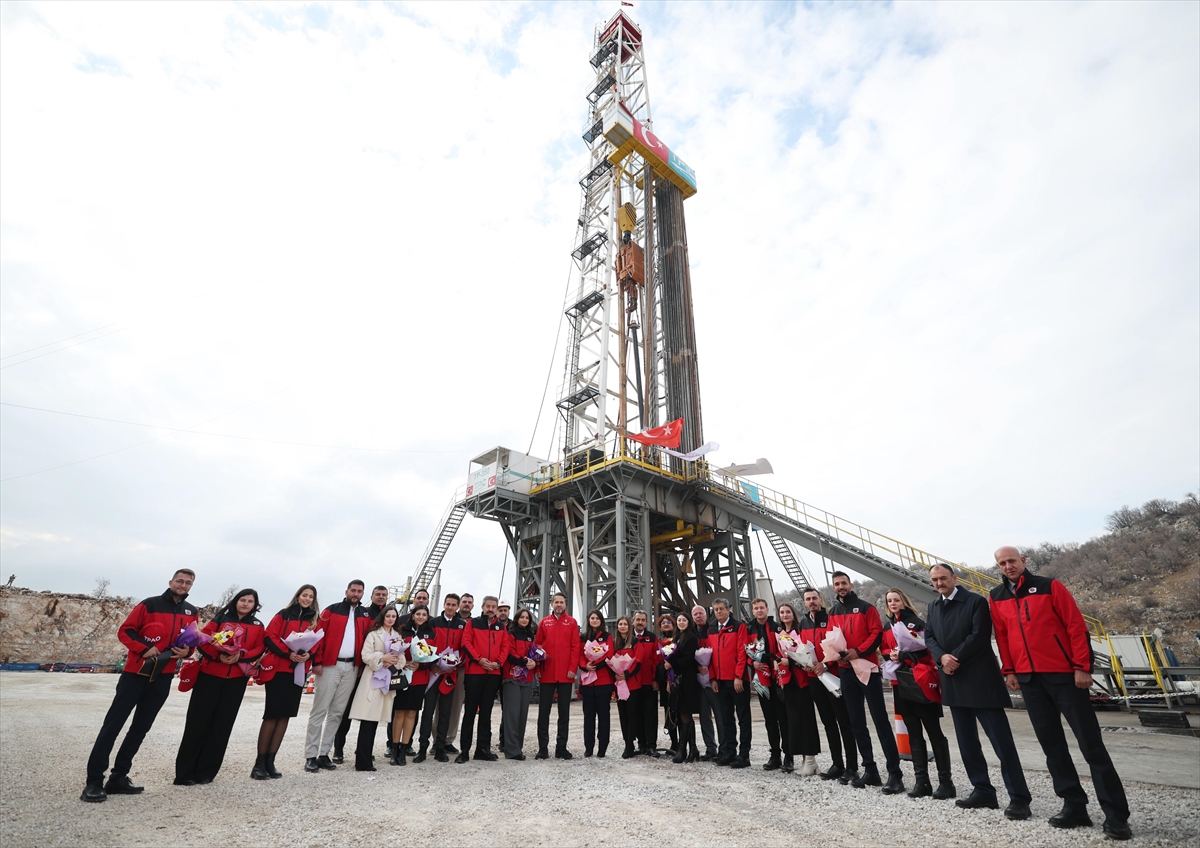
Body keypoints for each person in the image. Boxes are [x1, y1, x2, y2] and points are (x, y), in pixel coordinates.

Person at [990, 547, 1131, 839]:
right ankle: (1074, 805)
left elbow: (1075, 626)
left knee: (1091, 745)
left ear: (1023, 561)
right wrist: (1010, 670)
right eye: (1002, 563)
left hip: (1064, 676)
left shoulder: (1049, 586)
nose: (1008, 566)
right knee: (1052, 746)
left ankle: (1116, 815)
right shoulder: (997, 596)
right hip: (1029, 680)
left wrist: (1082, 667)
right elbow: (1002, 636)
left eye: (1012, 561)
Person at [82, 569, 199, 802]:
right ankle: (93, 782)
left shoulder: (191, 612)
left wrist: (187, 652)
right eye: (180, 581)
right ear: (171, 582)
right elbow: (125, 631)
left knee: (140, 729)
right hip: (135, 674)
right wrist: (144, 648)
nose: (183, 585)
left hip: (163, 677)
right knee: (113, 726)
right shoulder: (149, 605)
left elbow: (192, 641)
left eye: (188, 583)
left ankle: (118, 777)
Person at [925, 563, 1030, 818]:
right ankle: (982, 790)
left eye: (943, 578)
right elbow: (929, 637)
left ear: (954, 578)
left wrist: (953, 659)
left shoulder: (975, 602)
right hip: (953, 681)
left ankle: (1019, 798)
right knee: (967, 743)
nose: (939, 583)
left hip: (980, 681)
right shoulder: (933, 606)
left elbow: (979, 636)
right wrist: (942, 658)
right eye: (935, 580)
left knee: (1002, 743)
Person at [175, 588, 265, 785]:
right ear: (236, 601)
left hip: (236, 680)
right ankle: (184, 772)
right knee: (197, 723)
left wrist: (240, 656)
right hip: (210, 676)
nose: (245, 604)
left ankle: (206, 772)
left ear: (254, 605)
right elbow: (202, 640)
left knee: (222, 726)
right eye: (242, 600)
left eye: (250, 601)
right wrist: (219, 655)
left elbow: (259, 648)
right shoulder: (220, 620)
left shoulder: (258, 626)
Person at [829, 571, 903, 793]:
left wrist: (858, 651)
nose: (841, 587)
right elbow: (831, 638)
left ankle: (895, 773)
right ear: (833, 588)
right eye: (837, 584)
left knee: (880, 721)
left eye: (843, 583)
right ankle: (870, 770)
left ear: (850, 585)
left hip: (867, 668)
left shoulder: (866, 608)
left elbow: (876, 634)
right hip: (846, 670)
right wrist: (837, 655)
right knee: (857, 723)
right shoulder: (833, 611)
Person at [882, 588, 953, 799]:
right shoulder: (888, 626)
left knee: (934, 731)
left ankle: (946, 782)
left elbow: (929, 650)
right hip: (901, 683)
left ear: (904, 601)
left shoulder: (917, 623)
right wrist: (891, 655)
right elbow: (884, 649)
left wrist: (906, 655)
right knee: (913, 733)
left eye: (896, 599)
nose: (893, 603)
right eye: (889, 601)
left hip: (922, 681)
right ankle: (922, 782)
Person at [305, 579, 371, 773]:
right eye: (353, 590)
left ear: (362, 594)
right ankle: (310, 755)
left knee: (337, 713)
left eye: (359, 591)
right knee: (319, 710)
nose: (355, 594)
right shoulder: (331, 610)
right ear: (346, 591)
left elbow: (366, 640)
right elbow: (318, 636)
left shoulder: (364, 614)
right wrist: (317, 661)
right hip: (329, 666)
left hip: (351, 667)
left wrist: (360, 665)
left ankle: (324, 754)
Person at [255, 584, 318, 780]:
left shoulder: (314, 620)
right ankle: (259, 763)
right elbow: (269, 636)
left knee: (285, 716)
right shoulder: (284, 614)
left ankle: (271, 761)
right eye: (304, 595)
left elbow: (318, 643)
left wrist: (309, 654)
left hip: (298, 672)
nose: (307, 599)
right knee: (272, 714)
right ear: (298, 596)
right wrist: (286, 653)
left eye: (311, 596)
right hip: (279, 669)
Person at [797, 587, 857, 782]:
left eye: (814, 598)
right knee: (829, 723)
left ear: (820, 599)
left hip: (833, 677)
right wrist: (805, 664)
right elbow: (802, 649)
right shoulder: (803, 623)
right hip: (815, 678)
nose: (812, 602)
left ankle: (852, 767)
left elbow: (839, 646)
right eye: (808, 599)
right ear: (804, 602)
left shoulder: (830, 619)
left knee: (844, 723)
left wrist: (826, 664)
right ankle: (837, 764)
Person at [334, 584, 390, 763]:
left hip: (378, 671)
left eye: (384, 594)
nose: (381, 597)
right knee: (347, 709)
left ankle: (364, 749)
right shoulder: (363, 613)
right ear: (371, 596)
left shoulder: (388, 617)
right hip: (359, 667)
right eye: (378, 594)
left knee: (370, 711)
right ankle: (338, 748)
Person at [346, 606, 404, 771]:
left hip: (387, 680)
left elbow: (402, 659)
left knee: (376, 720)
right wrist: (382, 657)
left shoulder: (397, 636)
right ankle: (362, 761)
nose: (391, 619)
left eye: (393, 616)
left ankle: (367, 758)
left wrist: (393, 661)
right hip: (372, 679)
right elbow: (365, 655)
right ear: (383, 617)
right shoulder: (373, 634)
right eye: (388, 616)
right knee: (368, 720)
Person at [457, 595, 507, 763]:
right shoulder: (473, 623)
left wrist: (498, 663)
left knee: (486, 713)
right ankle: (464, 750)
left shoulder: (501, 627)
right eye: (488, 606)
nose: (490, 609)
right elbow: (466, 642)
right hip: (474, 672)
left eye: (493, 607)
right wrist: (479, 660)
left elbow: (505, 646)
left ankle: (482, 749)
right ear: (483, 607)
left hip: (493, 673)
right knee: (470, 711)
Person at [417, 593, 465, 762]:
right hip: (433, 672)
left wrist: (454, 666)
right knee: (428, 711)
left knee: (445, 712)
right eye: (448, 604)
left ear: (457, 607)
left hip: (450, 674)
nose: (450, 607)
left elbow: (464, 648)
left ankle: (440, 748)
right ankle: (422, 748)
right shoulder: (433, 622)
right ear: (444, 605)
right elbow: (425, 645)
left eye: (453, 605)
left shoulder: (462, 625)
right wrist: (431, 664)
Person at [773, 602, 820, 775]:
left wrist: (790, 661)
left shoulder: (799, 632)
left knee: (806, 719)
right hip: (788, 681)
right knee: (795, 721)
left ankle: (811, 759)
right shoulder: (781, 634)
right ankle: (805, 760)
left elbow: (804, 654)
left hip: (802, 680)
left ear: (793, 614)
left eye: (788, 612)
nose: (785, 615)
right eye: (782, 612)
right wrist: (778, 661)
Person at [535, 592, 581, 759]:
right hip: (547, 672)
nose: (559, 605)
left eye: (562, 602)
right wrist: (538, 668)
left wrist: (572, 668)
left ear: (565, 604)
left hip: (565, 674)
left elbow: (575, 647)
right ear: (552, 604)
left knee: (564, 713)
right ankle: (543, 748)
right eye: (556, 602)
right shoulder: (544, 622)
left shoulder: (572, 623)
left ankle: (561, 747)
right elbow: (537, 646)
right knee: (543, 712)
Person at [709, 597, 751, 768]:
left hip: (736, 681)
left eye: (721, 608)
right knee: (726, 718)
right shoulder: (712, 629)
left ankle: (744, 755)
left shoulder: (739, 627)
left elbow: (742, 652)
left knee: (743, 718)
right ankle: (729, 752)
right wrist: (713, 678)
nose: (719, 612)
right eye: (716, 609)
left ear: (728, 609)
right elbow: (710, 656)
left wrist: (739, 676)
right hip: (720, 681)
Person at [391, 603, 434, 765]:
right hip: (403, 676)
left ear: (427, 617)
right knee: (399, 713)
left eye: (424, 614)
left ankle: (404, 749)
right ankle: (394, 749)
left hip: (420, 678)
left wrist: (420, 665)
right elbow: (394, 649)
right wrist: (403, 662)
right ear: (412, 615)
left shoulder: (430, 634)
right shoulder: (402, 631)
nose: (421, 617)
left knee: (411, 713)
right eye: (418, 614)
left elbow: (432, 657)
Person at [747, 598, 787, 771]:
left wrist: (778, 661)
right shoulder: (749, 629)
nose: (759, 610)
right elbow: (745, 651)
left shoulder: (777, 627)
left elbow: (785, 648)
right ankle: (775, 755)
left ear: (767, 609)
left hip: (777, 678)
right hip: (761, 679)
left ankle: (788, 755)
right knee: (769, 719)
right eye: (756, 608)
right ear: (753, 611)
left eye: (761, 608)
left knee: (783, 718)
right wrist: (752, 663)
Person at [663, 613, 702, 763]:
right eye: (679, 620)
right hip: (678, 680)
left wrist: (672, 664)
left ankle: (682, 749)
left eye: (684, 620)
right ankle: (693, 748)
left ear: (689, 622)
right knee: (682, 714)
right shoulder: (677, 637)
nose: (681, 622)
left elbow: (688, 659)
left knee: (685, 713)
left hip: (687, 680)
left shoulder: (691, 638)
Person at [501, 608, 538, 760]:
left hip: (526, 679)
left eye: (527, 618)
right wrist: (525, 661)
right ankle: (511, 750)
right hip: (512, 677)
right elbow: (509, 653)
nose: (524, 620)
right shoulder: (510, 634)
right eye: (522, 617)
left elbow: (534, 652)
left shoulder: (530, 636)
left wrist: (535, 662)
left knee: (522, 715)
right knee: (512, 715)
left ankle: (518, 747)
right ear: (517, 619)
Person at [578, 610, 616, 758]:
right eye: (592, 618)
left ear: (601, 620)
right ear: (589, 620)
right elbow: (580, 655)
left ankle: (602, 748)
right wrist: (585, 666)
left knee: (603, 717)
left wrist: (596, 665)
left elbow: (609, 653)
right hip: (587, 683)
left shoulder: (607, 636)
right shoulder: (583, 637)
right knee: (588, 717)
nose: (594, 620)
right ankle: (589, 747)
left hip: (603, 681)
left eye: (597, 618)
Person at [445, 591, 475, 751]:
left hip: (462, 668)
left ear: (473, 606)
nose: (466, 604)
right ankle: (437, 740)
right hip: (442, 668)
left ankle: (448, 740)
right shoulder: (446, 621)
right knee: (441, 705)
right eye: (464, 602)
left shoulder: (473, 623)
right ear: (459, 605)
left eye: (469, 602)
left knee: (456, 706)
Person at [611, 615, 643, 759]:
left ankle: (631, 744)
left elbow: (638, 661)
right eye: (620, 624)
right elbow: (610, 660)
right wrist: (616, 674)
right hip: (619, 684)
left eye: (625, 624)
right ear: (617, 627)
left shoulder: (635, 642)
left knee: (632, 714)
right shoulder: (615, 643)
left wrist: (626, 674)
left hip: (632, 684)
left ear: (629, 627)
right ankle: (626, 742)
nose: (622, 626)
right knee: (623, 715)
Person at [692, 605, 721, 760]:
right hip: (699, 681)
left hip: (713, 679)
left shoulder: (714, 630)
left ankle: (724, 748)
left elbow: (718, 655)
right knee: (704, 717)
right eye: (695, 614)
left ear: (706, 615)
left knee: (720, 715)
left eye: (701, 613)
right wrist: (697, 667)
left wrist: (713, 675)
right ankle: (711, 748)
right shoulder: (691, 633)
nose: (698, 616)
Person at [631, 611, 661, 756]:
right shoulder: (628, 638)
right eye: (638, 619)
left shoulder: (652, 638)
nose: (640, 622)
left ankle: (651, 745)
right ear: (633, 621)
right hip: (633, 682)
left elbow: (656, 659)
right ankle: (641, 744)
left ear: (647, 623)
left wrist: (655, 679)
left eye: (643, 620)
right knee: (636, 714)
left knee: (650, 715)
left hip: (649, 682)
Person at [656, 614, 678, 755]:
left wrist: (672, 665)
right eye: (663, 622)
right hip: (665, 682)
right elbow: (656, 661)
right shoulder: (658, 641)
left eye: (668, 622)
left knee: (680, 711)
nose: (666, 624)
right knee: (668, 712)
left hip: (678, 680)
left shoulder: (678, 639)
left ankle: (684, 743)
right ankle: (674, 743)